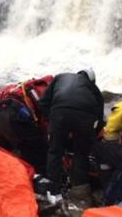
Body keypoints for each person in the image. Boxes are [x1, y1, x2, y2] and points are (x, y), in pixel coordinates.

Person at [38, 69, 104, 206]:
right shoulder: (94, 88)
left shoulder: (60, 77)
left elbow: (43, 102)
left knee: (55, 152)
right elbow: (100, 116)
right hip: (85, 117)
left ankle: (54, 192)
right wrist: (91, 135)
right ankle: (80, 192)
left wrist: (52, 121)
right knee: (81, 153)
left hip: (59, 112)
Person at [0, 75, 53, 174]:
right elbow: (47, 126)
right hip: (15, 117)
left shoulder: (19, 87)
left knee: (1, 159)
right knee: (39, 158)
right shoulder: (49, 94)